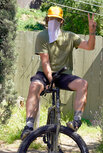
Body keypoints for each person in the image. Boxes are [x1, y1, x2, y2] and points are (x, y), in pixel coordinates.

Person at [21, 6, 97, 140]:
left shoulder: (70, 36)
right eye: (51, 19)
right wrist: (50, 81)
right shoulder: (42, 36)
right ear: (47, 19)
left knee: (83, 84)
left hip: (63, 74)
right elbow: (45, 62)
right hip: (44, 74)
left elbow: (90, 46)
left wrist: (92, 32)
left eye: (57, 19)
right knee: (34, 86)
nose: (53, 22)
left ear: (61, 21)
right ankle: (28, 126)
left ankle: (76, 121)